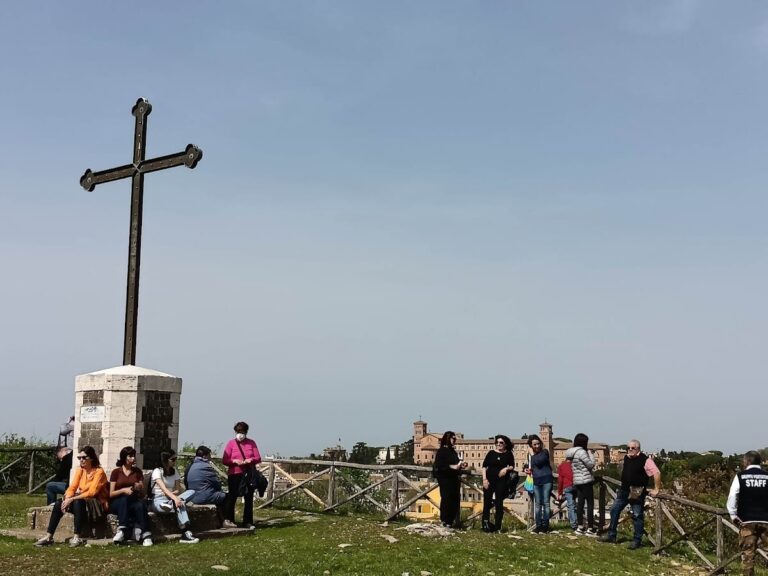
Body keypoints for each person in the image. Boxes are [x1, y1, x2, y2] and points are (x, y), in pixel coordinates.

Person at [34, 445, 108, 547]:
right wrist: (67, 498)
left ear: (91, 458)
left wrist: (72, 498)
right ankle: (49, 536)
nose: (81, 460)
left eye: (84, 458)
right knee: (58, 503)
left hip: (95, 502)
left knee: (77, 501)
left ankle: (77, 536)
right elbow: (72, 487)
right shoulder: (80, 470)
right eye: (79, 458)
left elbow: (92, 492)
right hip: (82, 499)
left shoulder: (99, 472)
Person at [600, 439, 661, 549]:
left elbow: (656, 473)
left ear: (638, 449)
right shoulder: (626, 458)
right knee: (614, 510)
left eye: (633, 448)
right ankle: (611, 535)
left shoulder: (646, 460)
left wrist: (656, 489)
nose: (630, 450)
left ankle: (637, 540)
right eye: (628, 448)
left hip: (637, 492)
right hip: (624, 490)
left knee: (637, 515)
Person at [726, 450, 768, 576]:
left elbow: (732, 497)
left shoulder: (740, 476)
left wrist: (733, 515)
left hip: (747, 520)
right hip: (766, 519)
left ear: (747, 461)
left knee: (748, 556)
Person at [150, 450, 199, 544]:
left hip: (171, 497)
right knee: (180, 504)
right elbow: (163, 489)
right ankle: (185, 531)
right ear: (165, 460)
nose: (175, 461)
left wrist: (174, 497)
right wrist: (175, 498)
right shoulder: (157, 471)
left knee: (191, 492)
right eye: (173, 459)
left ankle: (171, 504)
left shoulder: (174, 471)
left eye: (175, 459)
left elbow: (178, 490)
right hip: (159, 498)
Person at [222, 421, 262, 528]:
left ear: (246, 432)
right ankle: (229, 520)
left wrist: (250, 460)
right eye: (238, 431)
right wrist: (234, 461)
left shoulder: (251, 443)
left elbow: (258, 458)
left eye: (242, 431)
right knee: (232, 497)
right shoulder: (231, 443)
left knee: (248, 498)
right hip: (234, 474)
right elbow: (225, 460)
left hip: (248, 474)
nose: (240, 434)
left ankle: (248, 521)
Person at [109, 446, 152, 546]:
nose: (133, 459)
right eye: (130, 456)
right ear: (124, 457)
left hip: (133, 500)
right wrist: (123, 490)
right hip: (118, 502)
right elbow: (111, 493)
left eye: (134, 456)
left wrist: (139, 487)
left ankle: (146, 535)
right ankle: (122, 529)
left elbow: (142, 490)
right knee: (124, 499)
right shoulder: (116, 472)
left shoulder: (137, 472)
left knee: (140, 506)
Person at [185, 445, 231, 527]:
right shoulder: (206, 466)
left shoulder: (190, 466)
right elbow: (216, 483)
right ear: (205, 456)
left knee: (217, 496)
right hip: (203, 497)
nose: (210, 457)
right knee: (226, 496)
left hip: (192, 497)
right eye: (209, 455)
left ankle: (219, 521)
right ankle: (226, 520)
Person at [433, 431, 467, 528]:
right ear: (447, 439)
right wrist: (453, 467)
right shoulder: (441, 451)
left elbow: (456, 463)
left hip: (453, 478)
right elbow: (440, 465)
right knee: (446, 499)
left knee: (455, 499)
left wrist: (461, 466)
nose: (454, 440)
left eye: (455, 439)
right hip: (445, 478)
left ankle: (450, 522)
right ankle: (444, 520)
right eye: (453, 438)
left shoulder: (452, 451)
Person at [481, 434, 515, 533]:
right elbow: (484, 466)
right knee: (486, 503)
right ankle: (485, 525)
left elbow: (512, 466)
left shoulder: (508, 454)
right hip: (489, 480)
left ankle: (497, 527)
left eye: (501, 442)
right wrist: (484, 479)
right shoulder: (491, 453)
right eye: (497, 442)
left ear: (505, 444)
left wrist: (506, 468)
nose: (498, 444)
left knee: (499, 503)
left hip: (501, 481)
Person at [566, 433, 596, 536]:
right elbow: (591, 465)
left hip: (577, 481)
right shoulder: (582, 452)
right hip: (586, 481)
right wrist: (591, 454)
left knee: (580, 505)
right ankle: (590, 528)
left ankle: (580, 527)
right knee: (590, 505)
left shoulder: (572, 453)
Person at [524, 434, 553, 533]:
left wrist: (532, 454)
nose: (537, 446)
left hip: (547, 480)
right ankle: (538, 525)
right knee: (537, 504)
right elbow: (528, 464)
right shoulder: (530, 455)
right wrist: (525, 469)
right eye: (534, 444)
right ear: (531, 445)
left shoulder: (545, 452)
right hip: (536, 480)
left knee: (546, 503)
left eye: (538, 444)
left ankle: (545, 526)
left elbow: (539, 462)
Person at [556, 454, 577, 531]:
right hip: (576, 486)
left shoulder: (561, 466)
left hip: (567, 487)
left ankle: (574, 524)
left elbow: (560, 480)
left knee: (570, 506)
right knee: (575, 505)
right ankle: (577, 523)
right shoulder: (575, 465)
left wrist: (560, 493)